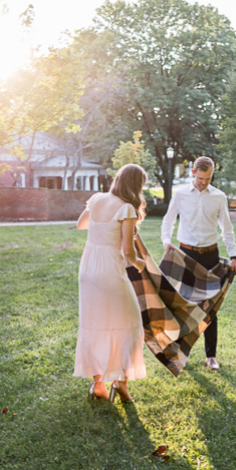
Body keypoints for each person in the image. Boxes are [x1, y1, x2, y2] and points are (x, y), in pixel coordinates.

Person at [73, 163, 148, 404]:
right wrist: (142, 265)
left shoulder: (96, 198)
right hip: (109, 271)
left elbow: (81, 224)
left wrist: (100, 222)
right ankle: (121, 383)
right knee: (132, 323)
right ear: (136, 186)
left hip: (88, 270)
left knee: (94, 324)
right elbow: (128, 252)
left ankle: (98, 384)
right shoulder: (127, 208)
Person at [160, 156, 236, 371]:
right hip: (185, 255)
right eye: (201, 178)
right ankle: (177, 354)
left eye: (209, 178)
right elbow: (168, 221)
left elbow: (227, 229)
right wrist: (167, 242)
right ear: (193, 173)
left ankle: (211, 356)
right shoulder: (181, 194)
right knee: (182, 305)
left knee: (210, 308)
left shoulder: (219, 197)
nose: (204, 182)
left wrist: (233, 256)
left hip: (210, 256)